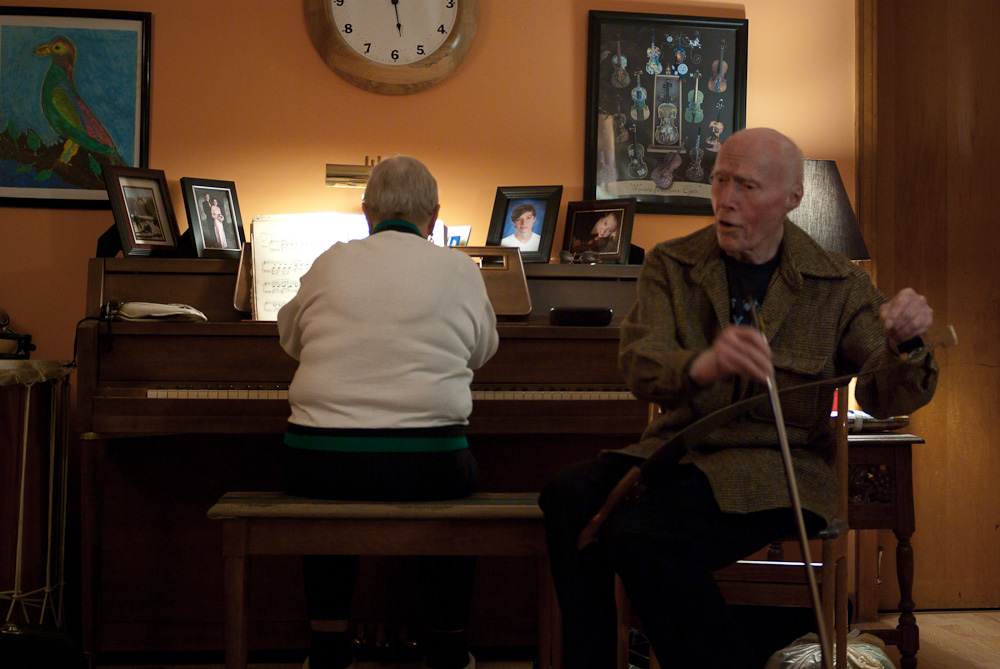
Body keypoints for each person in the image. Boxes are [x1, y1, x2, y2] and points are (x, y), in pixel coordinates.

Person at [539, 128, 939, 668]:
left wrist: (905, 342)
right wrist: (704, 364)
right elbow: (639, 364)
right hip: (679, 454)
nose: (726, 199)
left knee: (638, 532)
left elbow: (884, 390)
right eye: (720, 180)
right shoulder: (672, 264)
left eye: (746, 186)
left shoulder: (838, 282)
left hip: (779, 468)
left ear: (791, 198)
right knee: (566, 494)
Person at [277, 155, 499, 669]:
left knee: (328, 483)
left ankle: (329, 651)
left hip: (318, 461)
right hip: (429, 464)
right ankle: (446, 649)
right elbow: (481, 351)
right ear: (435, 216)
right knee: (456, 482)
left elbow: (290, 338)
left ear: (366, 212)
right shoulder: (459, 269)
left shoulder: (330, 261)